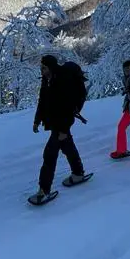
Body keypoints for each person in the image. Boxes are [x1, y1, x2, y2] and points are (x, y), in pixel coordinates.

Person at [30, 55, 90, 205]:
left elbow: (68, 107)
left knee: (49, 155)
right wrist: (37, 120)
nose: (41, 70)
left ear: (50, 67)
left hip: (61, 123)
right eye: (41, 68)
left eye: (44, 68)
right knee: (67, 146)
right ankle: (78, 173)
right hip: (55, 122)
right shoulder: (46, 80)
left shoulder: (62, 81)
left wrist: (64, 129)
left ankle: (44, 190)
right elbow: (42, 101)